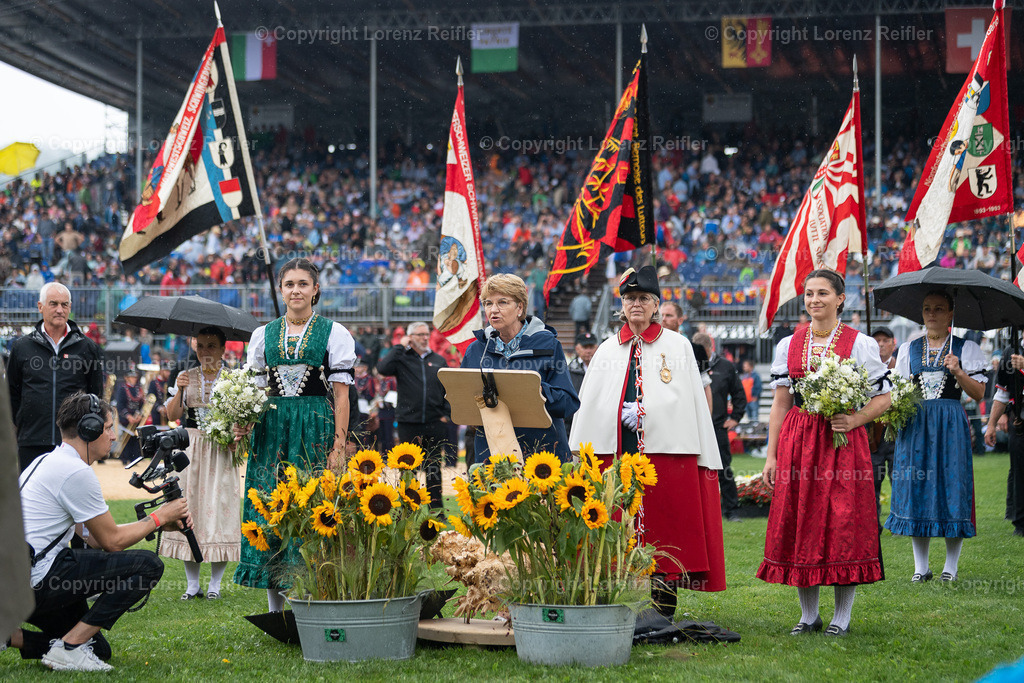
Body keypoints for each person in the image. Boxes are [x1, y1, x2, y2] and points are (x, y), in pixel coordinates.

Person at [570, 266, 724, 618]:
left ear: (656, 305)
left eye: (643, 299)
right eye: (629, 299)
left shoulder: (679, 345)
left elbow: (688, 403)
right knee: (610, 526)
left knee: (665, 526)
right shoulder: (607, 349)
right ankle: (610, 605)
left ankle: (662, 607)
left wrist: (650, 411)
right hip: (614, 454)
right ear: (621, 305)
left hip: (665, 453)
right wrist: (615, 414)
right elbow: (592, 403)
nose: (636, 305)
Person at [8, 393, 190, 672]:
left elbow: (93, 538)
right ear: (89, 430)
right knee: (148, 565)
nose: (114, 436)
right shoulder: (74, 472)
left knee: (97, 649)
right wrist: (160, 515)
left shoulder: (48, 461)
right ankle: (68, 649)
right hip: (37, 580)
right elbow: (112, 542)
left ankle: (13, 637)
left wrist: (158, 523)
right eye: (107, 428)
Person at [759, 269, 891, 637]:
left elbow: (885, 396)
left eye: (822, 293)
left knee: (842, 520)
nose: (814, 300)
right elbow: (781, 402)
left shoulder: (861, 342)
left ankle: (842, 616)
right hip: (800, 440)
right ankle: (808, 614)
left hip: (842, 443)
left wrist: (855, 419)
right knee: (803, 520)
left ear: (840, 299)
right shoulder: (789, 343)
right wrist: (771, 456)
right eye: (809, 294)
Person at [232, 258, 355, 613]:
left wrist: (338, 445)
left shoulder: (334, 332)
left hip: (313, 427)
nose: (296, 290)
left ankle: (304, 603)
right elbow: (254, 393)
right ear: (280, 289)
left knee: (306, 508)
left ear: (316, 289)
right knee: (270, 507)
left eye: (303, 283)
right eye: (289, 284)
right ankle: (275, 611)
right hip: (271, 433)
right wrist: (244, 424)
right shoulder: (263, 334)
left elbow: (342, 397)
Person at [884, 292, 987, 581]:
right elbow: (898, 390)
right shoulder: (908, 349)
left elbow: (979, 393)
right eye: (927, 308)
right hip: (916, 424)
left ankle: (950, 568)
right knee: (917, 489)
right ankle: (921, 567)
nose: (932, 314)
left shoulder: (966, 349)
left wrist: (958, 371)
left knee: (952, 486)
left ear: (951, 313)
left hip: (950, 423)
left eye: (939, 309)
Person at [461, 274, 580, 463]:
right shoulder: (476, 350)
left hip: (542, 458)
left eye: (502, 302)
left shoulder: (548, 345)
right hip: (492, 458)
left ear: (520, 308)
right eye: (488, 303)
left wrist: (536, 390)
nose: (494, 310)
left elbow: (568, 404)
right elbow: (464, 406)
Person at [162, 327, 240, 600]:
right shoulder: (185, 375)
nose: (204, 351)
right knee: (190, 508)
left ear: (222, 349)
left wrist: (235, 437)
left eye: (211, 346)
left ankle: (216, 584)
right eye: (200, 346)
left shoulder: (233, 378)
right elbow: (172, 416)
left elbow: (241, 418)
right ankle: (192, 583)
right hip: (191, 447)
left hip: (221, 449)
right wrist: (179, 390)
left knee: (221, 509)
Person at [6, 282, 105, 471]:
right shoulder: (21, 347)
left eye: (64, 304)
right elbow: (11, 394)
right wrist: (25, 424)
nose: (60, 310)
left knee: (71, 498)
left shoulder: (87, 348)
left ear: (70, 308)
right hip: (32, 442)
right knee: (30, 499)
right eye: (53, 304)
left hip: (73, 444)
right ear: (40, 307)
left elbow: (95, 396)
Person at [376, 321, 452, 510]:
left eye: (426, 334)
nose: (425, 338)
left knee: (434, 469)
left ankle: (437, 510)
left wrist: (446, 414)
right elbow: (383, 368)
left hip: (435, 422)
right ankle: (408, 509)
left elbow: (448, 389)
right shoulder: (402, 357)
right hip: (408, 423)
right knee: (408, 469)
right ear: (410, 337)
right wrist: (400, 346)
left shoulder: (438, 360)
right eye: (419, 335)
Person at [692, 332, 747, 522]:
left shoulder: (726, 366)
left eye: (702, 353)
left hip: (717, 427)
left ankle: (731, 511)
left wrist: (735, 418)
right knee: (694, 470)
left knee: (724, 469)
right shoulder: (690, 364)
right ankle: (697, 511)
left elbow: (739, 394)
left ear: (709, 349)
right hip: (693, 427)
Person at [985, 350, 1024, 537]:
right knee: (1018, 470)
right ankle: (1020, 521)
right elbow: (1002, 392)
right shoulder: (1010, 353)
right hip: (1019, 418)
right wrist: (992, 424)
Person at [868, 326, 899, 520]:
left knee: (900, 479)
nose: (880, 344)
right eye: (876, 341)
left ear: (893, 344)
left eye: (885, 340)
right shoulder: (865, 367)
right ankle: (873, 523)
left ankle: (899, 520)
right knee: (872, 480)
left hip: (896, 432)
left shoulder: (901, 366)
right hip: (872, 434)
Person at [564, 332, 598, 439]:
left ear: (597, 348)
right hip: (573, 421)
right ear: (577, 348)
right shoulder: (568, 370)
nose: (588, 351)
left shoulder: (604, 369)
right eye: (585, 347)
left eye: (591, 347)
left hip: (596, 420)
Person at [113, 367, 145, 466]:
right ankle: (124, 458)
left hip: (136, 418)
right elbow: (120, 405)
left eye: (135, 377)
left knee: (135, 439)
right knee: (125, 438)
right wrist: (128, 416)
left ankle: (134, 458)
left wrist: (140, 415)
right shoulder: (122, 388)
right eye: (131, 377)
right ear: (126, 378)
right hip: (126, 419)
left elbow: (141, 404)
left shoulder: (138, 389)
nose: (134, 379)